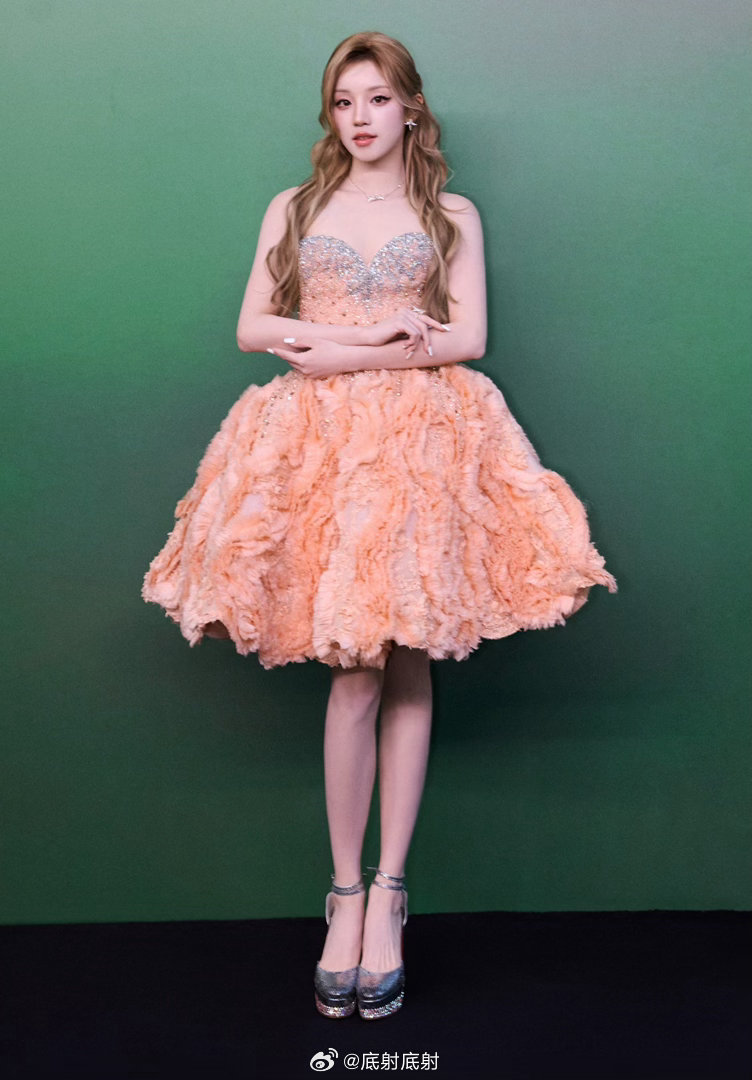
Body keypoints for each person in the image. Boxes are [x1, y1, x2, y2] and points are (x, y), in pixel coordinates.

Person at [142, 30, 617, 1021]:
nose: (359, 117)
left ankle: (390, 893)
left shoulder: (450, 213)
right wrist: (364, 338)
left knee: (407, 659)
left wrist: (342, 352)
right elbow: (254, 328)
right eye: (342, 101)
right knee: (355, 666)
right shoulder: (294, 205)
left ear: (410, 108)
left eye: (376, 98)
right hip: (319, 446)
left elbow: (468, 336)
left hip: (419, 442)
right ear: (332, 114)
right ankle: (344, 895)